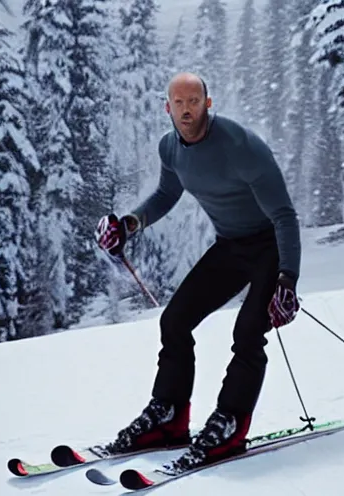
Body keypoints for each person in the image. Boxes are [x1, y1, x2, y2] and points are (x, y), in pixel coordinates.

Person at [95, 72, 301, 473]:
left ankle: (230, 424)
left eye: (194, 101)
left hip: (269, 247)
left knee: (247, 333)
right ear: (166, 107)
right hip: (230, 247)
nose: (186, 109)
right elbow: (167, 194)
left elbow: (284, 216)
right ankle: (169, 417)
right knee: (174, 321)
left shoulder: (242, 147)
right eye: (178, 102)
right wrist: (129, 224)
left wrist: (287, 280)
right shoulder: (170, 149)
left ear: (208, 103)